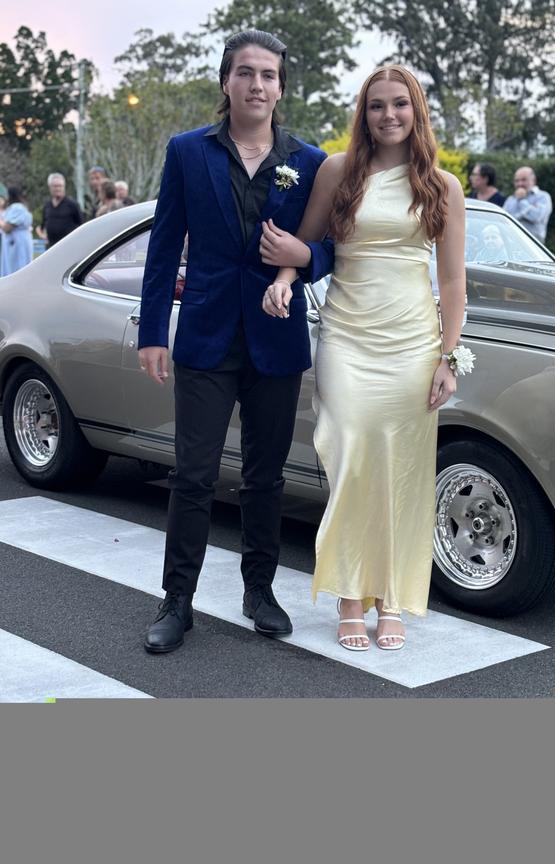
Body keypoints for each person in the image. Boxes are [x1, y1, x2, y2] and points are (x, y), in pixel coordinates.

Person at [261, 65, 469, 651]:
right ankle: (352, 594)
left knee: (401, 470)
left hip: (411, 344)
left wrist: (448, 357)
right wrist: (282, 279)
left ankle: (392, 597)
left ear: (416, 110)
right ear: (364, 112)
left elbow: (453, 283)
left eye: (399, 104)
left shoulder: (443, 187)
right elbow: (305, 242)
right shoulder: (338, 171)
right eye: (376, 106)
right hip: (347, 338)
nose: (388, 116)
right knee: (351, 458)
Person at [137, 29, 332, 653]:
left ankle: (259, 591)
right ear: (226, 81)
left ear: (281, 87)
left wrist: (304, 257)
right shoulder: (188, 152)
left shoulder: (308, 161)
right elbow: (164, 246)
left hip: (275, 339)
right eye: (246, 73)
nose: (257, 85)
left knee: (265, 477)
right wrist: (151, 333)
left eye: (269, 75)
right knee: (193, 476)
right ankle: (177, 602)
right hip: (205, 335)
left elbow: (332, 245)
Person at [504, 166, 552, 243]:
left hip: (533, 245)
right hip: (511, 243)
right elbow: (504, 221)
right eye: (517, 181)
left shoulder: (543, 197)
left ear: (533, 180)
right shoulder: (510, 199)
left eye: (524, 180)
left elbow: (536, 217)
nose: (520, 184)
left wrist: (522, 200)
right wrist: (529, 210)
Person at [36, 173, 83, 247]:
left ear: (64, 187)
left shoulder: (72, 204)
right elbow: (43, 225)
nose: (57, 189)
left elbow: (81, 225)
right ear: (50, 187)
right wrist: (41, 234)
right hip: (51, 247)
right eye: (55, 186)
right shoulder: (47, 206)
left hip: (69, 246)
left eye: (60, 186)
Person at [0, 186, 33, 277]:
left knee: (17, 268)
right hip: (17, 241)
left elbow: (7, 228)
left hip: (17, 244)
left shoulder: (17, 207)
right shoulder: (16, 207)